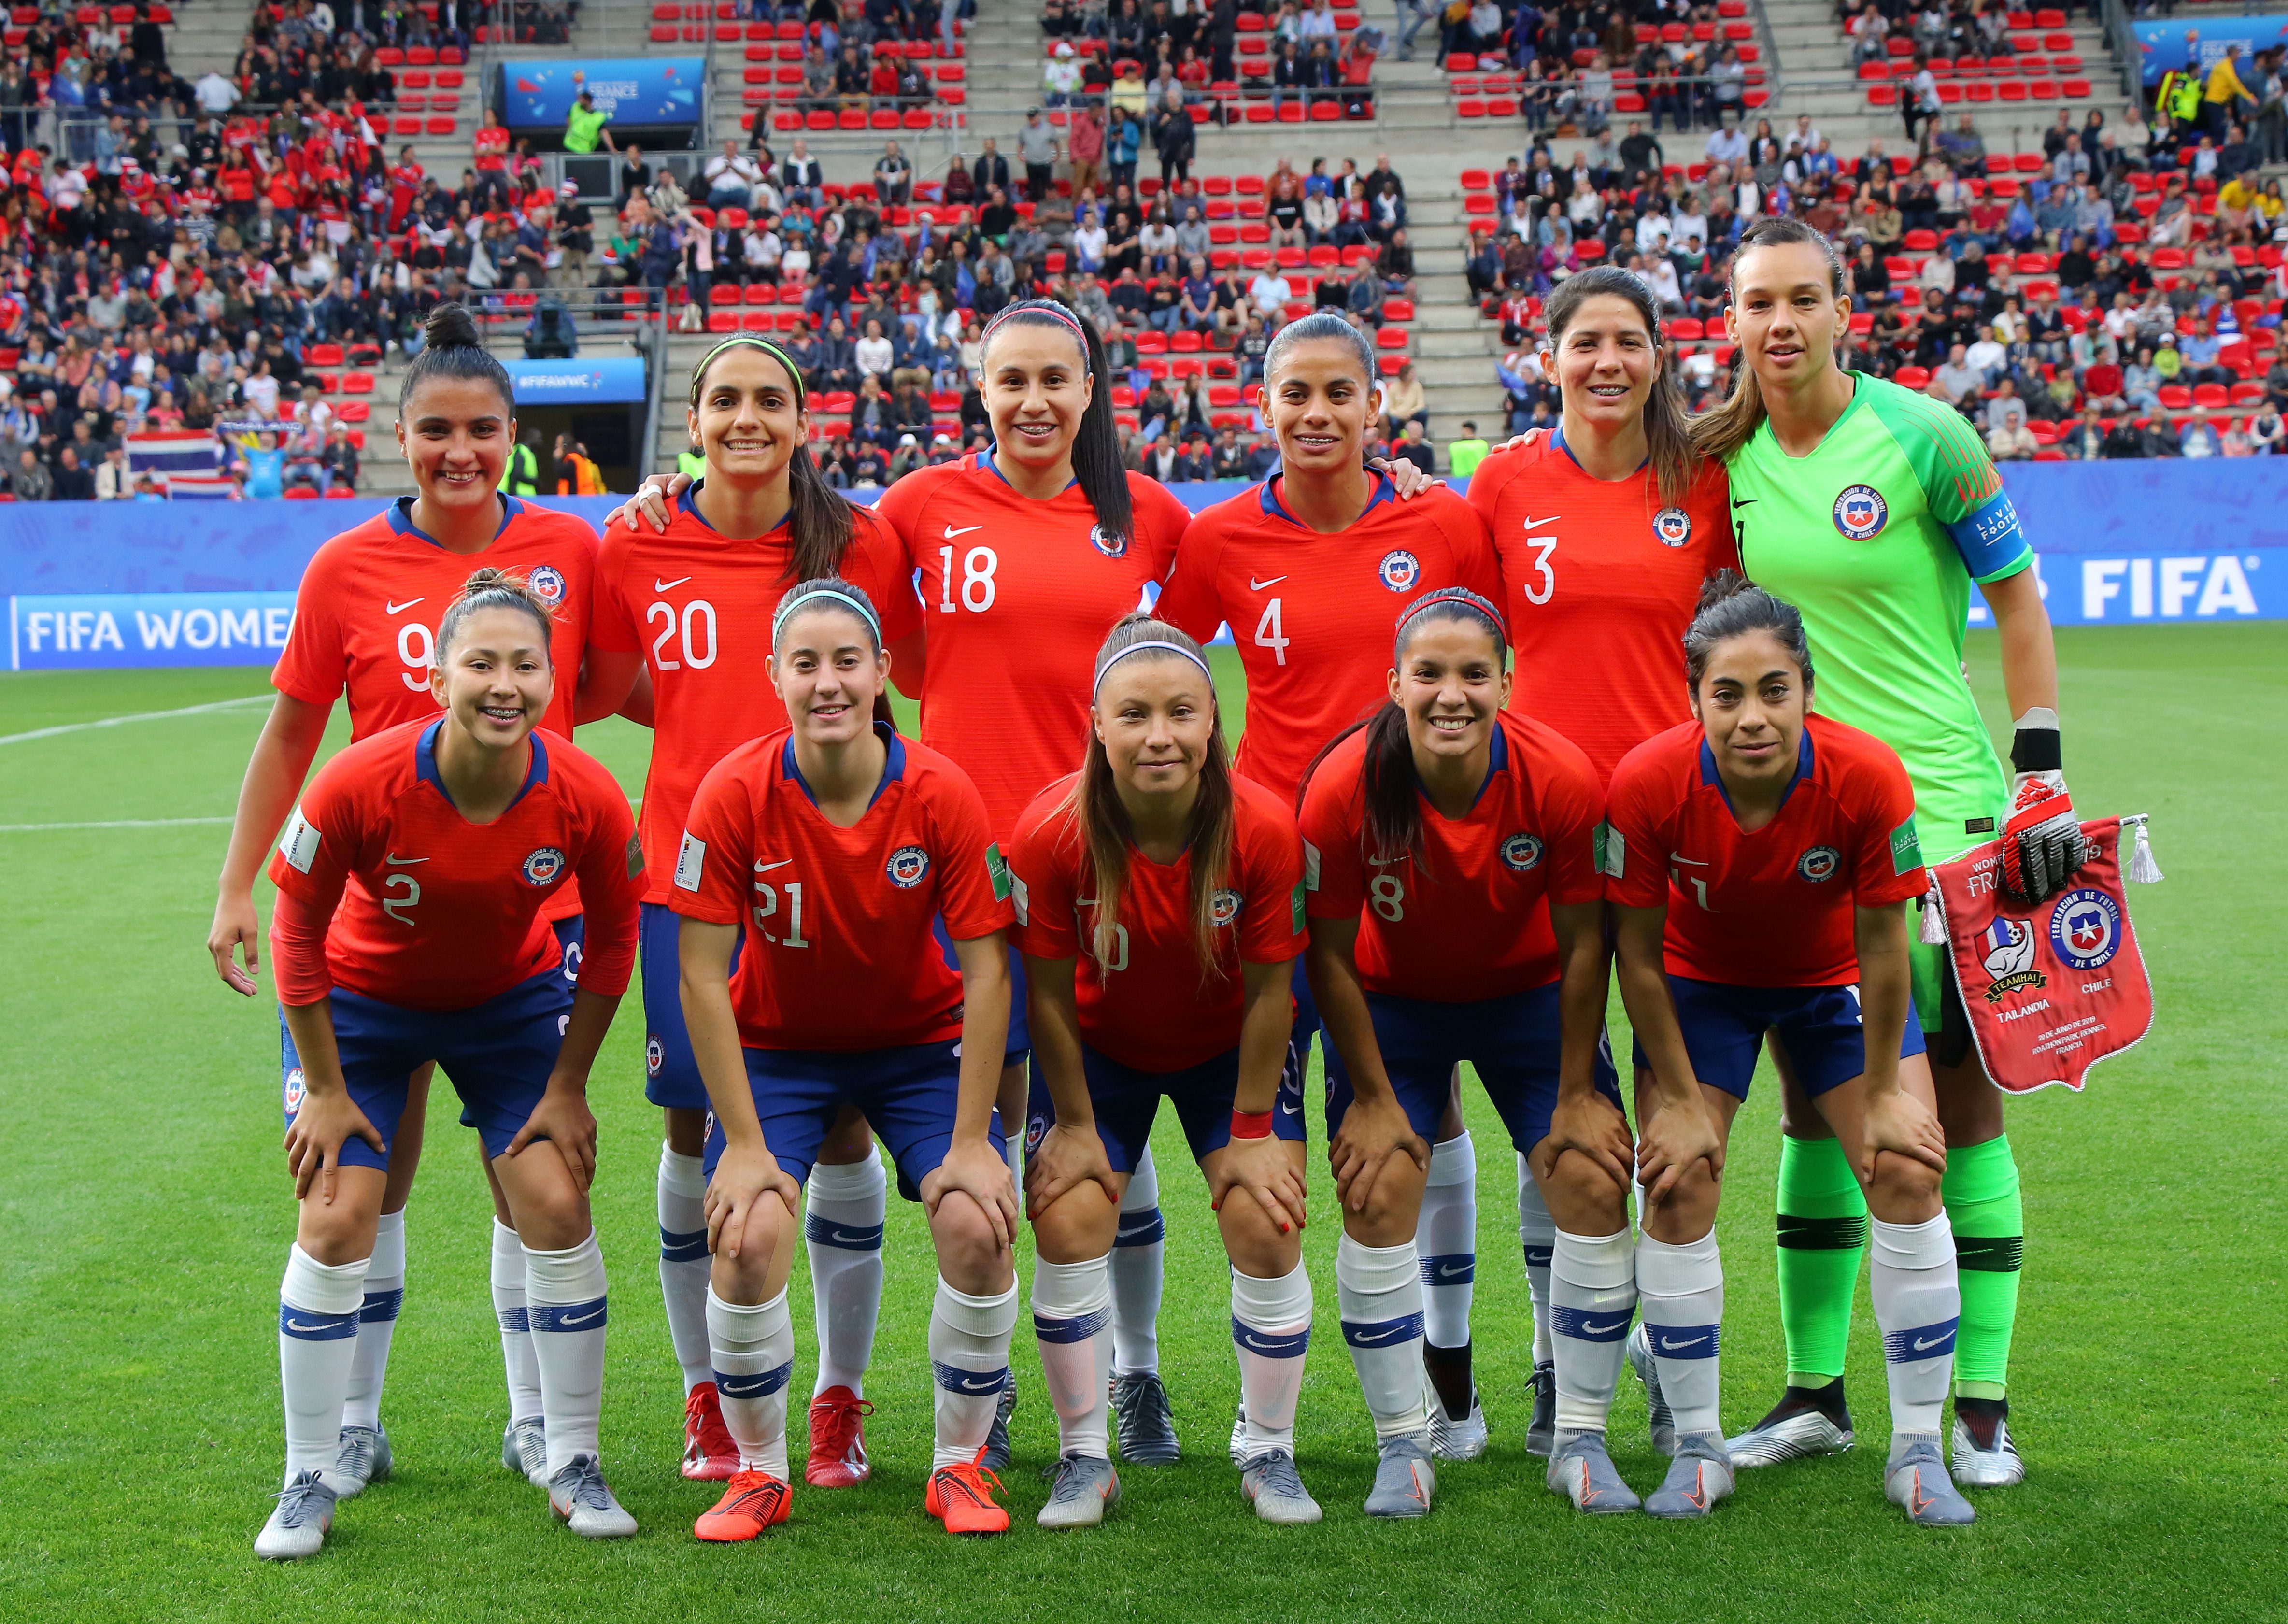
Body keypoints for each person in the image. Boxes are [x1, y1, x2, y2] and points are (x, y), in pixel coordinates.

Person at [614, 300, 1195, 1471]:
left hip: (1069, 861)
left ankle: (1115, 1374)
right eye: (1009, 378)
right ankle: (742, 1397)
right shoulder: (909, 510)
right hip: (833, 870)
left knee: (1077, 1127)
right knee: (758, 1141)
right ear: (976, 392)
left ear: (1090, 391)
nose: (1032, 399)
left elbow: (1172, 674)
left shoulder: (1152, 520)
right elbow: (614, 681)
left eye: (1054, 378)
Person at [1695, 216, 2077, 1490]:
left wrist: (2040, 773)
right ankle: (1815, 1393)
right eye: (1760, 302)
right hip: (1797, 836)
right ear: (1732, 317)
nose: (1782, 323)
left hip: (1947, 822)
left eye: (1805, 298)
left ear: (1844, 307)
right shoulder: (1716, 453)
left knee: (1957, 1108)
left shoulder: (1929, 437)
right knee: (1816, 1105)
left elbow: (2020, 595)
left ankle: (1979, 1405)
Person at [208, 305, 606, 1501]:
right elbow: (291, 732)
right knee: (363, 1168)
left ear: (513, 434)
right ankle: (350, 1430)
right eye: (435, 429)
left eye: (482, 429)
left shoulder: (572, 550)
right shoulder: (345, 567)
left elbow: (636, 678)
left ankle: (537, 1424)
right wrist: (239, 883)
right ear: (400, 435)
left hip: (528, 921)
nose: (460, 451)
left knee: (527, 1173)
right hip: (364, 933)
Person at [1156, 312, 1498, 1459]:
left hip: (1410, 863)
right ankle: (1213, 1399)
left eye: (1336, 393)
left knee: (1421, 1102)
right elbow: (1150, 669)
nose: (1314, 414)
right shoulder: (1216, 540)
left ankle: (1445, 1378)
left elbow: (1501, 662)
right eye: (1292, 394)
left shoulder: (1440, 521)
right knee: (1267, 1124)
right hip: (1264, 870)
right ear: (1264, 407)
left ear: (1374, 407)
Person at [253, 567, 644, 1557]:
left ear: (554, 680)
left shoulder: (587, 793)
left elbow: (611, 938)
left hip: (506, 1013)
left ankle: (569, 1455)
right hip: (361, 1013)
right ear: (435, 674)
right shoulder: (359, 781)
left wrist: (568, 1086)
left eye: (525, 664)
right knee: (338, 1215)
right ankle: (310, 1472)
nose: (503, 683)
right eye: (481, 662)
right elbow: (294, 924)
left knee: (555, 1203)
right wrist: (328, 1088)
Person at [583, 338, 916, 1490]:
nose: (744, 418)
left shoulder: (857, 541)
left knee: (840, 1131)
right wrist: (689, 729)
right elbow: (605, 685)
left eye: (767, 400)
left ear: (801, 420)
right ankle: (707, 1395)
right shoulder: (637, 537)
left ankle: (838, 1398)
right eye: (722, 399)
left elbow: (909, 669)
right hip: (691, 879)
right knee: (695, 1139)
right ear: (691, 421)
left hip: (840, 875)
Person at [1596, 572, 1970, 1525]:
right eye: (1727, 693)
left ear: (1807, 690)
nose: (1751, 715)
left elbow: (1886, 944)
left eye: (1773, 690)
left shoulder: (1866, 774)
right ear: (1695, 700)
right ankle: (1695, 1447)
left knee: (1906, 1169)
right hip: (1697, 987)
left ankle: (1919, 1451)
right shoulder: (1645, 781)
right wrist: (1676, 1097)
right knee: (1674, 1181)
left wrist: (1886, 1089)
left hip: (1831, 985)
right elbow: (1634, 958)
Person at [672, 577, 1022, 1539]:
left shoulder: (940, 790)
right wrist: (742, 1142)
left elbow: (989, 971)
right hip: (778, 1053)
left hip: (917, 1049)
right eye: (805, 663)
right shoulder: (734, 792)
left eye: (846, 662)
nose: (827, 682)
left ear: (879, 675)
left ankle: (959, 1468)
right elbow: (701, 975)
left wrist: (970, 1139)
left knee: (978, 1222)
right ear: (774, 677)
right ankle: (757, 1472)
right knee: (744, 1236)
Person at [1460, 264, 1738, 1452]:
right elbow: (1466, 647)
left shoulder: (1705, 483)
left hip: (1675, 831)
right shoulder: (1503, 481)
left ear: (1658, 357)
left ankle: (1672, 1366)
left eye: (1628, 342)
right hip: (1539, 832)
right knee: (1560, 1100)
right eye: (1585, 342)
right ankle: (1548, 1357)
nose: (1606, 363)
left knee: (1670, 1101)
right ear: (1547, 354)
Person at [1297, 586, 1608, 1516]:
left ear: (1507, 682)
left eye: (1474, 673)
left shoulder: (1559, 777)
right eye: (1427, 673)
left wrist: (1579, 1088)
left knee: (1591, 1173)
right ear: (1393, 682)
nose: (1450, 694)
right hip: (1393, 1006)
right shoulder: (1344, 783)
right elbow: (1326, 953)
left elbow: (1588, 940)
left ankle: (1581, 1435)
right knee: (1379, 1178)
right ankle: (1408, 1440)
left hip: (1529, 1000)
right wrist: (1370, 1094)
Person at [1013, 613, 1317, 1527]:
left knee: (1266, 1221)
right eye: (1134, 714)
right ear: (1096, 725)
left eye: (1182, 712)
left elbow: (1273, 994)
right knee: (1067, 1216)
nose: (1159, 735)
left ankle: (1268, 1450)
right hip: (1100, 1052)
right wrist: (1071, 1123)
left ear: (1211, 723)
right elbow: (1050, 999)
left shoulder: (1262, 827)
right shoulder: (1049, 830)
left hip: (1228, 1051)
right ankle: (1083, 1458)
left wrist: (1257, 1129)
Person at [563, 89, 614, 155]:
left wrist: (612, 149)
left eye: (581, 100)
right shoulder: (576, 107)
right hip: (569, 145)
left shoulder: (598, 117)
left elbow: (604, 133)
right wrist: (570, 129)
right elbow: (568, 116)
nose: (579, 101)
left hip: (583, 150)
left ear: (588, 101)